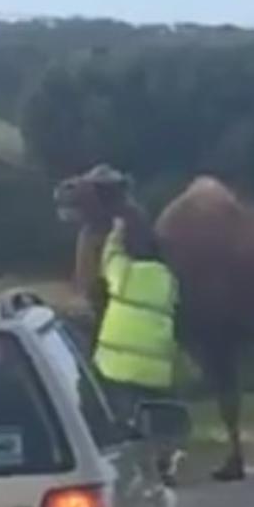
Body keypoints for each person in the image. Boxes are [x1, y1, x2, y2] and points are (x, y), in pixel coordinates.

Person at [87, 170, 184, 485]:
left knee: (118, 421)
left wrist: (114, 234)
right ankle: (164, 461)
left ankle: (128, 471)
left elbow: (108, 262)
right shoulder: (166, 280)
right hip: (156, 366)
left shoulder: (123, 273)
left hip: (118, 362)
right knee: (155, 418)